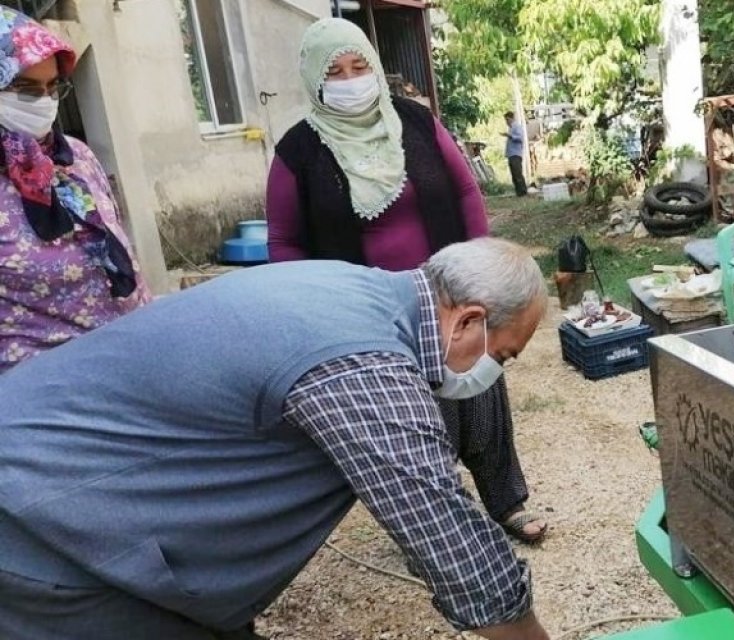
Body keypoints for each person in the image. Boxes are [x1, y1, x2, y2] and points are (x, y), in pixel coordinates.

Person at [0, 237, 553, 640]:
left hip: (59, 483)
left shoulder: (353, 287)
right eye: (501, 356)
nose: (493, 374)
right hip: (41, 524)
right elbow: (448, 539)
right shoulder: (365, 364)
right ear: (467, 321)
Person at [266, 18, 547, 544]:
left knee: (481, 391)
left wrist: (482, 263)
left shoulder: (415, 123)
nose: (350, 80)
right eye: (334, 72)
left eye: (358, 66)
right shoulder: (298, 151)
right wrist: (309, 306)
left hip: (450, 292)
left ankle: (506, 500)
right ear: (313, 80)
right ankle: (438, 518)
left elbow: (465, 191)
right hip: (368, 311)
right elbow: (283, 239)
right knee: (410, 416)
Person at [0, 6, 150, 373]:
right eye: (25, 89)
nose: (44, 102)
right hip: (44, 387)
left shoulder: (75, 157)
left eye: (53, 87)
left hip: (131, 359)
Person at [503, 111, 528, 196]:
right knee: (514, 174)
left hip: (516, 154)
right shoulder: (511, 128)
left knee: (517, 173)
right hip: (511, 154)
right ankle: (518, 192)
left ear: (511, 118)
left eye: (507, 120)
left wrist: (510, 136)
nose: (506, 122)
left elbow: (520, 138)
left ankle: (523, 191)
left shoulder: (517, 126)